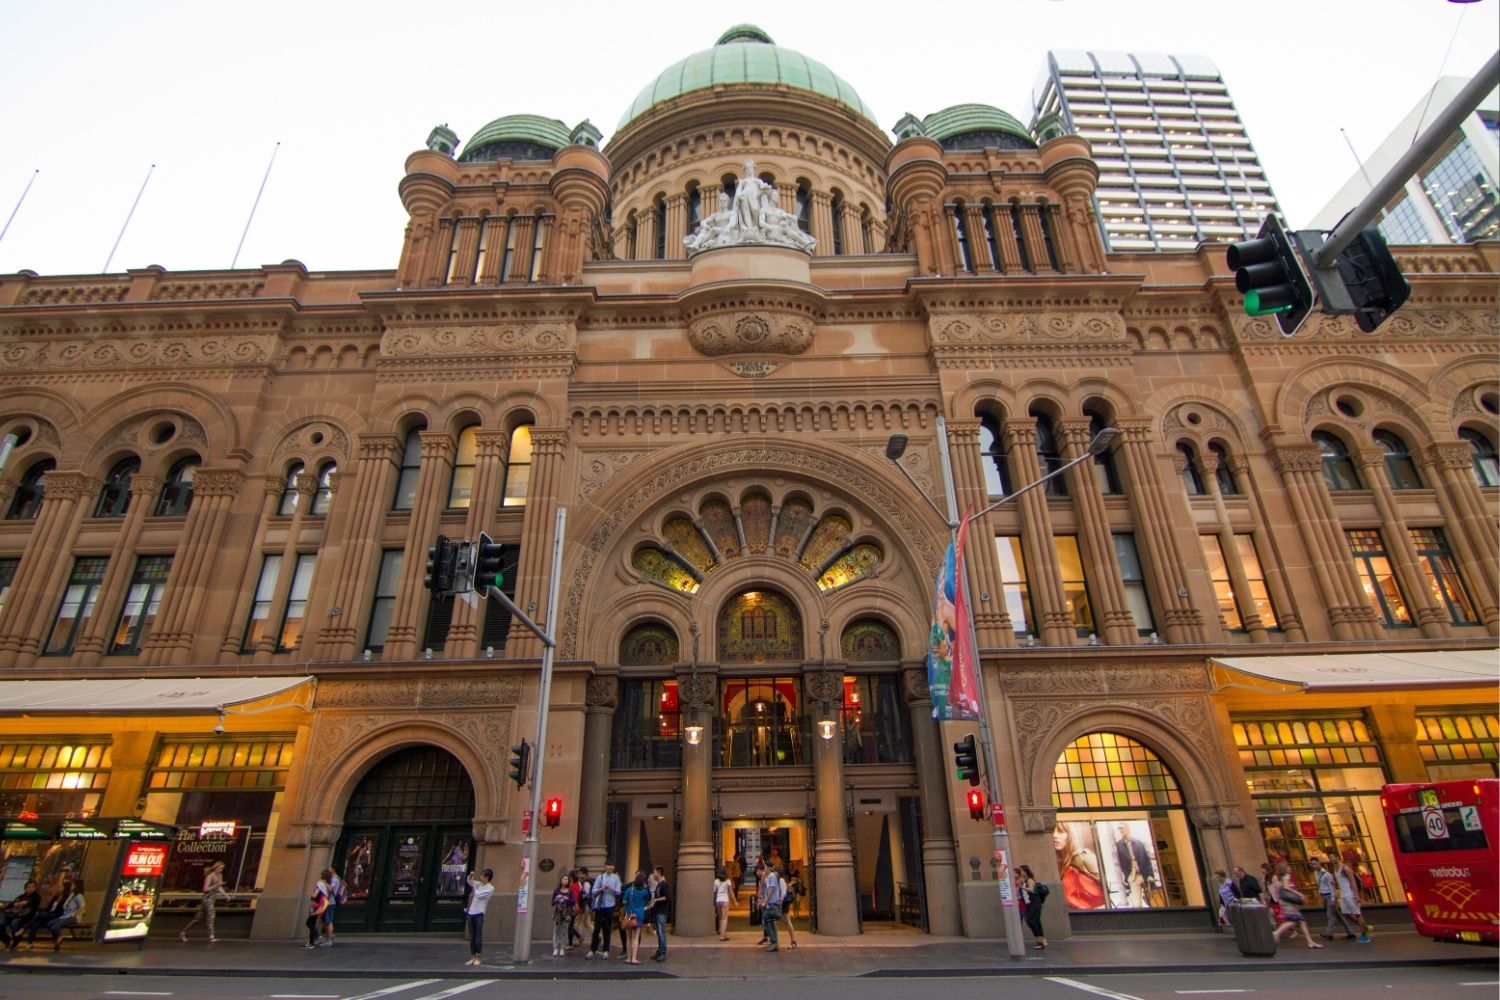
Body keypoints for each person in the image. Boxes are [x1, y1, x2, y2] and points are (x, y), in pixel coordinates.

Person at [1268, 862, 1322, 949]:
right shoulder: (1286, 876)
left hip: (1284, 901)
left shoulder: (1279, 877)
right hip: (1288, 902)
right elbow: (1286, 887)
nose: (1290, 868)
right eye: (1288, 866)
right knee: (1293, 920)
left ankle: (1310, 942)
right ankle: (1277, 932)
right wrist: (1299, 894)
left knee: (1301, 920)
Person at [1054, 823, 1105, 909]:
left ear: (1069, 835)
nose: (1055, 836)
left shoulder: (1084, 856)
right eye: (1052, 832)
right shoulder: (1056, 863)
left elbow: (1103, 883)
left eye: (1060, 831)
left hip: (1093, 909)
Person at [180, 860, 230, 943]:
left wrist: (225, 895)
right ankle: (211, 936)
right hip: (207, 898)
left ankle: (183, 933)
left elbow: (219, 887)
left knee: (198, 918)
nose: (221, 870)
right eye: (220, 868)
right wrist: (215, 886)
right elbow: (205, 889)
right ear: (216, 867)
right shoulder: (210, 876)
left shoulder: (220, 875)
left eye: (222, 868)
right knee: (211, 915)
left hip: (213, 898)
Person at [1312, 855, 1357, 941]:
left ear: (1319, 863)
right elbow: (1320, 886)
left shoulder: (1327, 874)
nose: (1313, 866)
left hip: (1329, 896)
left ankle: (1329, 933)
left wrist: (1333, 899)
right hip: (1324, 896)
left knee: (1330, 915)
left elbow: (1332, 887)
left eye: (1315, 864)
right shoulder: (1315, 874)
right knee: (1338, 915)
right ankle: (1350, 932)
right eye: (1312, 864)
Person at [1113, 824, 1155, 907]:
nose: (1120, 830)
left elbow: (1147, 860)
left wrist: (1150, 874)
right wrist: (1127, 876)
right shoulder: (1118, 845)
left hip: (1145, 875)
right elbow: (1118, 863)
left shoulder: (1139, 843)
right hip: (1132, 877)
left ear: (1128, 829)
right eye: (1119, 829)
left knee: (1152, 902)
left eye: (1122, 828)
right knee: (1137, 904)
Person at [587, 861, 621, 959]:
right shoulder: (600, 877)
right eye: (608, 868)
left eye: (612, 868)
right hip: (600, 906)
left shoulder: (616, 878)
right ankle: (592, 949)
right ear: (605, 867)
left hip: (610, 905)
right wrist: (602, 888)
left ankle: (606, 949)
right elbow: (593, 891)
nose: (610, 870)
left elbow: (618, 892)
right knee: (596, 928)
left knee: (607, 929)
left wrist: (611, 888)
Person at [44, 878, 86, 951]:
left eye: (73, 885)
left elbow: (83, 908)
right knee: (50, 924)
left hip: (72, 917)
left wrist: (75, 914)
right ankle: (57, 939)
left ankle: (58, 939)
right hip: (65, 915)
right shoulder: (71, 895)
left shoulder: (79, 896)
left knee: (55, 927)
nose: (71, 886)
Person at [1336, 859, 1372, 943]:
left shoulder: (1345, 869)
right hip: (1344, 895)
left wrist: (1356, 895)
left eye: (1333, 857)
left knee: (1358, 914)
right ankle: (1365, 927)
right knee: (1346, 914)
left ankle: (1365, 936)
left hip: (1350, 894)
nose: (1331, 859)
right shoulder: (1336, 869)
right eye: (1330, 858)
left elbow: (1353, 882)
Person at [463, 868, 493, 966]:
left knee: (478, 937)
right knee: (472, 937)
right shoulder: (479, 884)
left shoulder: (490, 888)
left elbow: (479, 895)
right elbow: (470, 882)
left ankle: (478, 957)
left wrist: (474, 887)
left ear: (487, 877)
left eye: (482, 876)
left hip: (479, 914)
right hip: (471, 913)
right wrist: (471, 876)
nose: (480, 877)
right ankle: (472, 957)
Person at [1, 879, 42, 950]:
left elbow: (30, 905)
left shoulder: (36, 897)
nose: (30, 889)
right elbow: (10, 905)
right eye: (28, 887)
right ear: (25, 888)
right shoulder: (22, 896)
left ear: (35, 888)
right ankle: (6, 940)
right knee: (1, 924)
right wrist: (16, 904)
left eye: (32, 887)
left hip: (25, 916)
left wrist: (21, 904)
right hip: (12, 914)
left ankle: (15, 941)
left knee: (14, 923)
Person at [620, 871, 650, 965]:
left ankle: (628, 958)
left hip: (629, 915)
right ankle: (634, 958)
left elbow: (624, 902)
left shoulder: (629, 890)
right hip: (639, 915)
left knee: (628, 938)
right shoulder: (644, 891)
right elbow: (648, 899)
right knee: (636, 938)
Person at [1016, 865, 1048, 950]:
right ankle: (1042, 940)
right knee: (1036, 921)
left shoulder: (1030, 880)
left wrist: (1022, 886)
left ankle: (1039, 941)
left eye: (1022, 871)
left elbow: (1031, 889)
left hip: (1034, 903)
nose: (1021, 872)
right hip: (1032, 903)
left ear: (1026, 872)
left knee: (1031, 921)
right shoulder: (1025, 880)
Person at [757, 861, 782, 953]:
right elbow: (763, 885)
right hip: (772, 903)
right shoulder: (771, 877)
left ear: (768, 868)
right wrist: (763, 876)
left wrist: (765, 902)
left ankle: (774, 942)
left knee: (765, 920)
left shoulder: (772, 876)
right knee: (769, 921)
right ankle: (774, 942)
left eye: (765, 868)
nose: (764, 870)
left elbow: (771, 890)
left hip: (771, 903)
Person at [648, 865, 671, 962]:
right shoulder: (658, 885)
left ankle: (662, 952)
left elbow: (667, 897)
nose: (653, 874)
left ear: (659, 873)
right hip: (657, 911)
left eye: (654, 872)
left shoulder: (664, 885)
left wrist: (656, 900)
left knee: (661, 932)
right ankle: (659, 950)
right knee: (659, 932)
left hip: (662, 911)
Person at [551, 873, 575, 957]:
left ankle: (562, 948)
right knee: (556, 930)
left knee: (565, 930)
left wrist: (567, 898)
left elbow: (573, 902)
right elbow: (552, 903)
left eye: (566, 879)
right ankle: (555, 948)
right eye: (563, 879)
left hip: (566, 912)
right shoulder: (556, 891)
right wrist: (556, 899)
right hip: (558, 912)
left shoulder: (570, 891)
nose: (565, 881)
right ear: (561, 880)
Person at [713, 865, 737, 941]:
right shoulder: (727, 881)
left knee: (721, 918)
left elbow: (714, 891)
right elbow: (731, 892)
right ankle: (722, 936)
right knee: (725, 918)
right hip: (725, 900)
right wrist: (735, 901)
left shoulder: (716, 881)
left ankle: (722, 933)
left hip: (718, 900)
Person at [776, 866, 798, 949]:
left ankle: (792, 940)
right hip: (783, 904)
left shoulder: (781, 880)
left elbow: (783, 893)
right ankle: (793, 940)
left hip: (783, 904)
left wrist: (780, 902)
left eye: (776, 872)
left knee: (783, 922)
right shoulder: (781, 880)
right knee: (785, 922)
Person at [304, 878, 328, 950]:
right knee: (310, 923)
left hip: (315, 906)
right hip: (318, 906)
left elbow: (314, 896)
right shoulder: (323, 888)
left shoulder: (319, 887)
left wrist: (312, 894)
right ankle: (316, 936)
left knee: (310, 923)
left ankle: (312, 941)